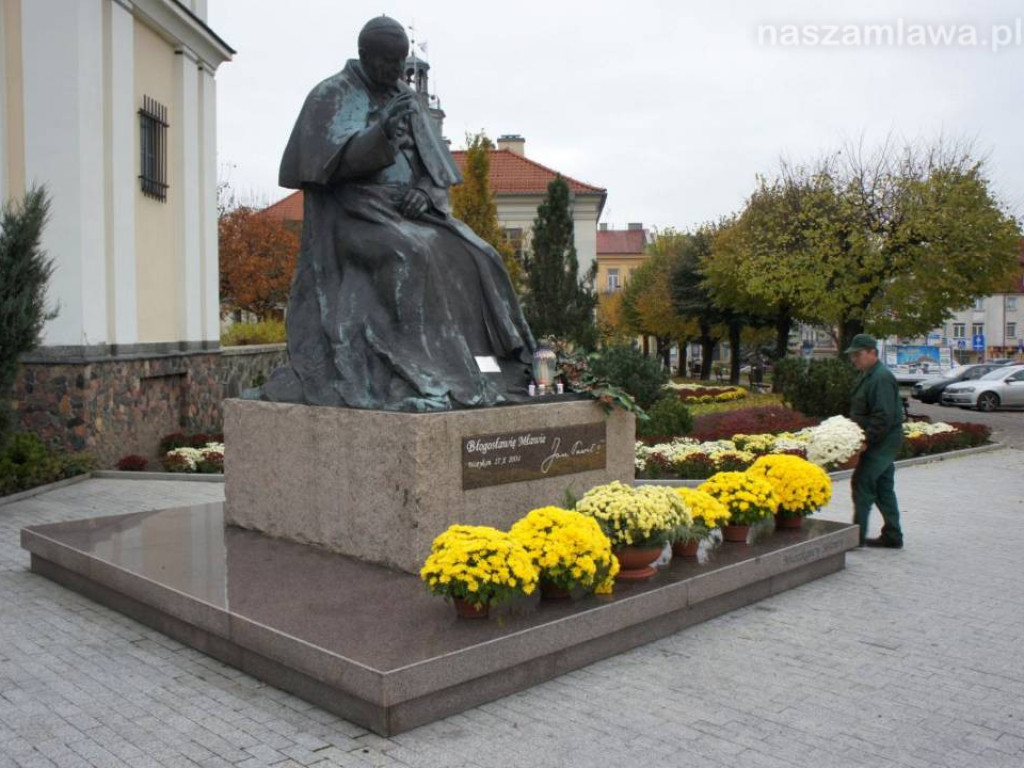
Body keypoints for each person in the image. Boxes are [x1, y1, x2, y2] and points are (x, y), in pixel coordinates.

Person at [263, 15, 535, 412]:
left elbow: (434, 170)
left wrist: (424, 193)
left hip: (411, 213)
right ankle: (420, 371)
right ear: (364, 55)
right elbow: (325, 166)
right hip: (353, 215)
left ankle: (490, 368)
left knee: (479, 254)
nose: (396, 70)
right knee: (412, 253)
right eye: (388, 61)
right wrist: (381, 133)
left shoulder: (405, 96)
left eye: (400, 61)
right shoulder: (330, 94)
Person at [846, 334, 904, 548]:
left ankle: (856, 537)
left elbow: (882, 416)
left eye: (858, 354)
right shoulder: (869, 375)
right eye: (852, 355)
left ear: (872, 352)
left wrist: (866, 441)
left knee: (862, 483)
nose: (854, 359)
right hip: (881, 441)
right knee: (883, 487)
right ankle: (893, 535)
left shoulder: (880, 377)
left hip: (881, 443)